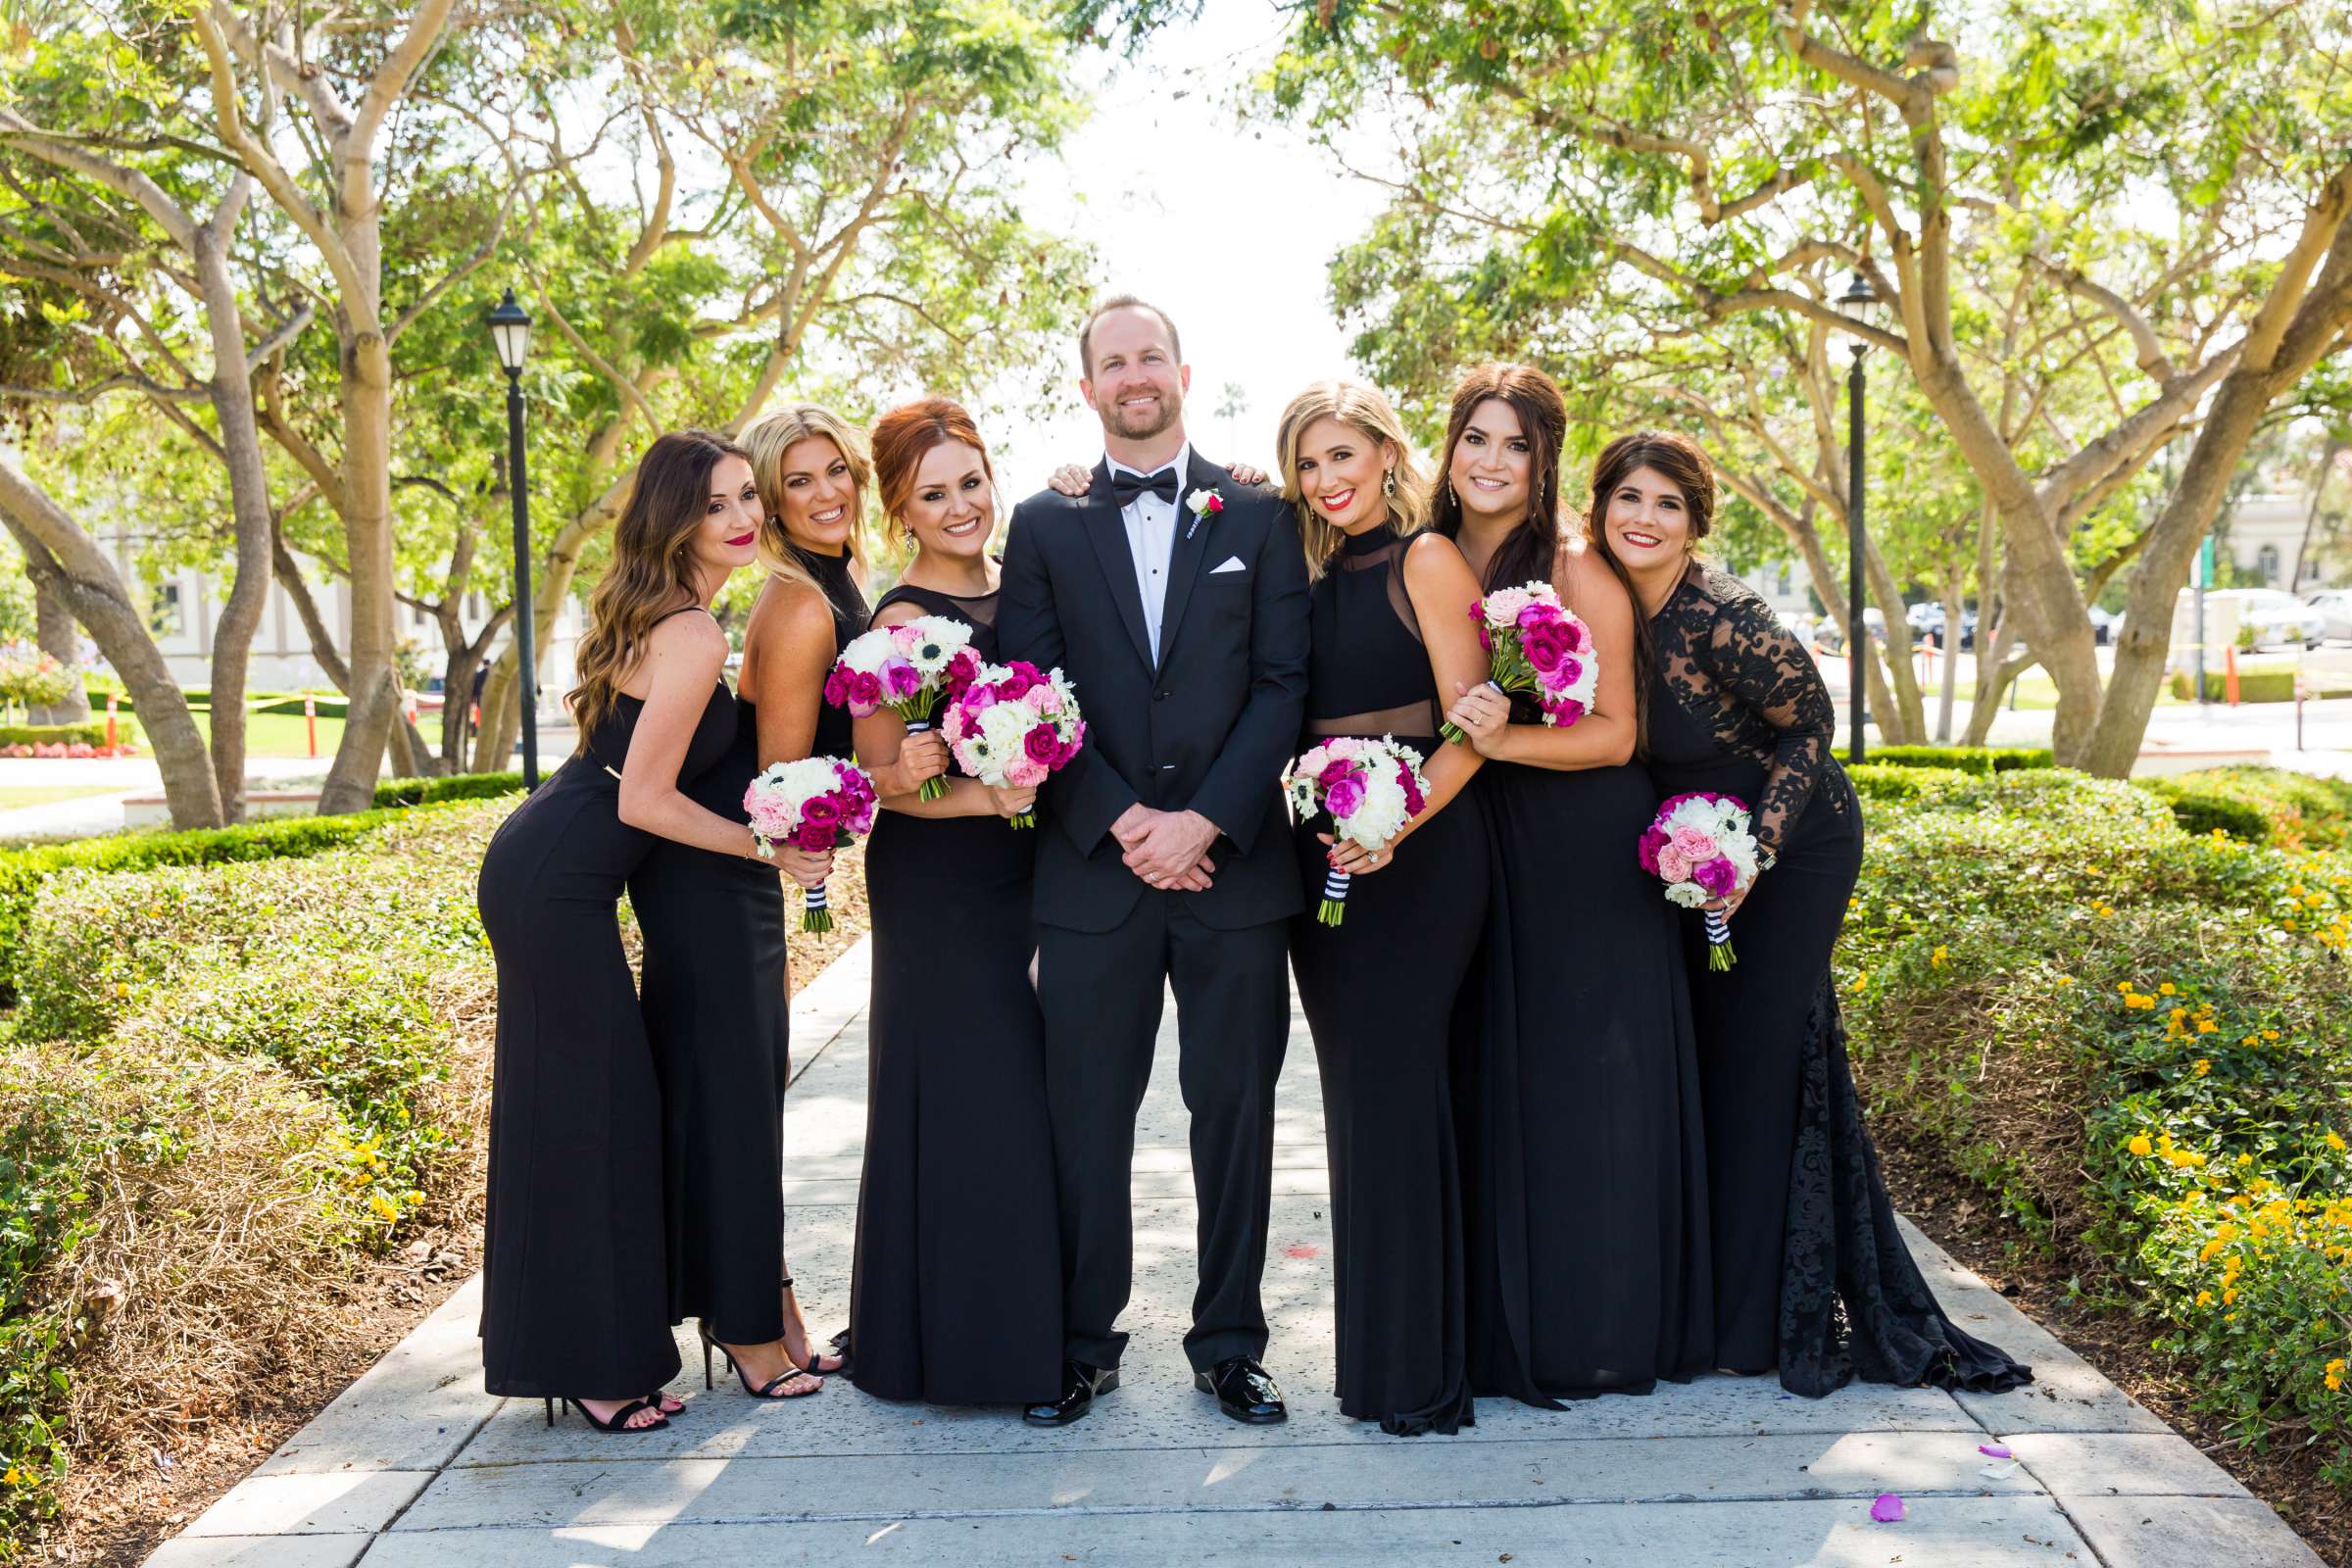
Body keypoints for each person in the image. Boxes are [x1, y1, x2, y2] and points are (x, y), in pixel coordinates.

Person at [1601, 429, 2032, 1396]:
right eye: (1628, 496)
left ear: (1695, 522)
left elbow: (1814, 728)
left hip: (1791, 848)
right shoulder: (1606, 597)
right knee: (1724, 1066)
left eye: (1668, 503)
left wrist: (1755, 853)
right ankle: (1721, 1299)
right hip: (1695, 853)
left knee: (1755, 1062)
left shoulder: (1722, 614)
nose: (1644, 516)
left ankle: (1759, 1326)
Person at [997, 295, 1310, 1427]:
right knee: (1088, 1117)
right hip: (1095, 871)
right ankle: (1084, 1341)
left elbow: (1285, 684)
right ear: (1086, 388)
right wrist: (1129, 822)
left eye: (1150, 356)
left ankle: (1231, 1342)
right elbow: (1028, 692)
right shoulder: (1042, 522)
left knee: (1234, 1114)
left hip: (1233, 873)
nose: (1135, 375)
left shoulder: (1263, 517)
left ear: (1185, 370)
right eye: (1112, 362)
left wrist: (1207, 822)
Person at [476, 429, 766, 1433]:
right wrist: (761, 844)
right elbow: (643, 800)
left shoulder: (680, 617)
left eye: (746, 496)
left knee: (589, 1112)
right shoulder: (692, 632)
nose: (743, 516)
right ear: (674, 518)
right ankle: (596, 1368)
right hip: (556, 882)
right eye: (718, 502)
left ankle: (587, 1351)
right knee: (590, 1118)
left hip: (552, 871)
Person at [1436, 367, 1714, 1402]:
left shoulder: (1574, 565)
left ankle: (1595, 1331)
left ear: (1543, 459)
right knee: (1502, 1076)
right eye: (1476, 438)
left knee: (1588, 1089)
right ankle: (1510, 1319)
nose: (1491, 461)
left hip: (1582, 849)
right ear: (1451, 446)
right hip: (1482, 845)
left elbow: (1618, 735)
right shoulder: (1431, 554)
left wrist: (1505, 740)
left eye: (1514, 444)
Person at [622, 406, 888, 1403]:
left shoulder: (830, 581)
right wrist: (842, 815)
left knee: (738, 1098)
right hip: (717, 874)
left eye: (836, 474)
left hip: (733, 871)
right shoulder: (798, 604)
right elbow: (779, 779)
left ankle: (764, 1310)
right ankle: (750, 1330)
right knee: (733, 1102)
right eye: (796, 484)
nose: (824, 495)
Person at [837, 398, 1063, 1406]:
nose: (961, 504)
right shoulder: (896, 624)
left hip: (1032, 872)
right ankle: (958, 1347)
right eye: (934, 493)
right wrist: (973, 786)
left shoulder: (1033, 582)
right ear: (902, 509)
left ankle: (1020, 1326)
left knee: (1033, 1096)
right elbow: (876, 774)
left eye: (971, 480)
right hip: (940, 886)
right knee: (970, 1094)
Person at [1275, 380, 1491, 1435]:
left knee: (1399, 1094)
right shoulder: (1301, 564)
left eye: (1342, 457)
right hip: (1328, 867)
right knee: (1358, 1103)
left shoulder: (1427, 559)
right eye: (1308, 464)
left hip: (1421, 855)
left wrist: (1397, 824)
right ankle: (1381, 1355)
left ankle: (1413, 1372)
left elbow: (1468, 728)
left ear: (1387, 453)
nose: (1326, 481)